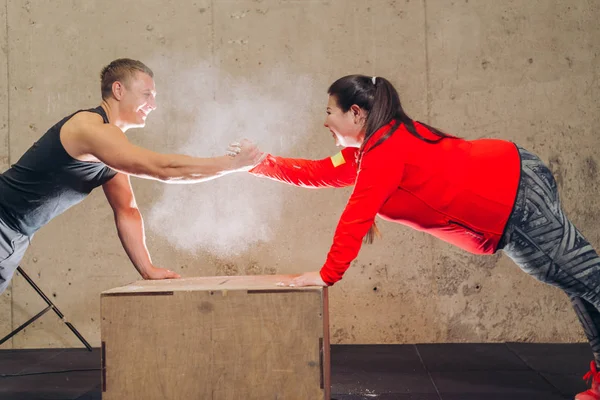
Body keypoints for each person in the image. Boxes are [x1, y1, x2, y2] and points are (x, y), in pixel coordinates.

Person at [244, 74, 600, 400]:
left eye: (329, 112)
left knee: (590, 282)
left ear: (355, 113)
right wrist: (261, 163)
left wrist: (326, 274)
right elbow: (320, 171)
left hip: (512, 201)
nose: (325, 121)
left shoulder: (382, 155)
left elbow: (356, 217)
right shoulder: (372, 148)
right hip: (514, 176)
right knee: (582, 284)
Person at [0, 58, 261, 294]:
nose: (153, 105)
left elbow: (127, 210)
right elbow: (164, 169)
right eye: (147, 94)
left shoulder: (110, 147)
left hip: (15, 234)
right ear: (118, 90)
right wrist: (231, 163)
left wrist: (147, 269)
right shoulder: (89, 127)